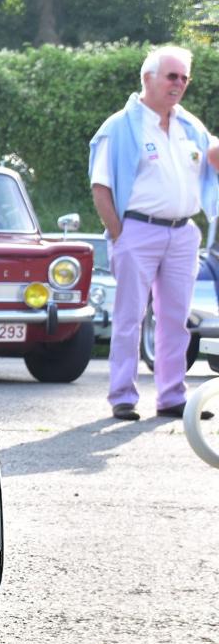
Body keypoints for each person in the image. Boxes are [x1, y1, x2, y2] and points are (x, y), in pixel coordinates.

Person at [89, 45, 219, 421]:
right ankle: (123, 396)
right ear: (148, 78)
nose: (179, 84)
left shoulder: (190, 127)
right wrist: (119, 234)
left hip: (182, 234)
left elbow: (211, 164)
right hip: (137, 230)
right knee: (129, 316)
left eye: (184, 78)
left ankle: (172, 396)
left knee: (177, 318)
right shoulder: (119, 127)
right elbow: (101, 187)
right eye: (172, 76)